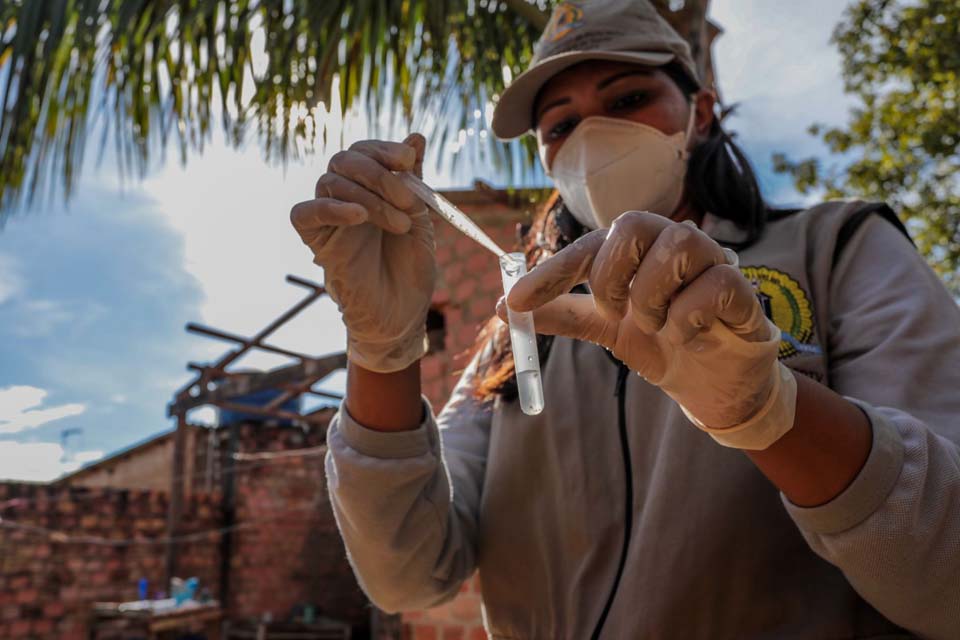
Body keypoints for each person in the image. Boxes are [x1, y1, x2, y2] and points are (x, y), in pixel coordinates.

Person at [289, 1, 960, 637]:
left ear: (699, 112)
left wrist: (770, 414)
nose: (592, 135)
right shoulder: (520, 332)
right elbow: (407, 574)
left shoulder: (836, 248)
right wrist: (381, 351)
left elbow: (945, 579)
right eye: (561, 126)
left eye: (628, 99)